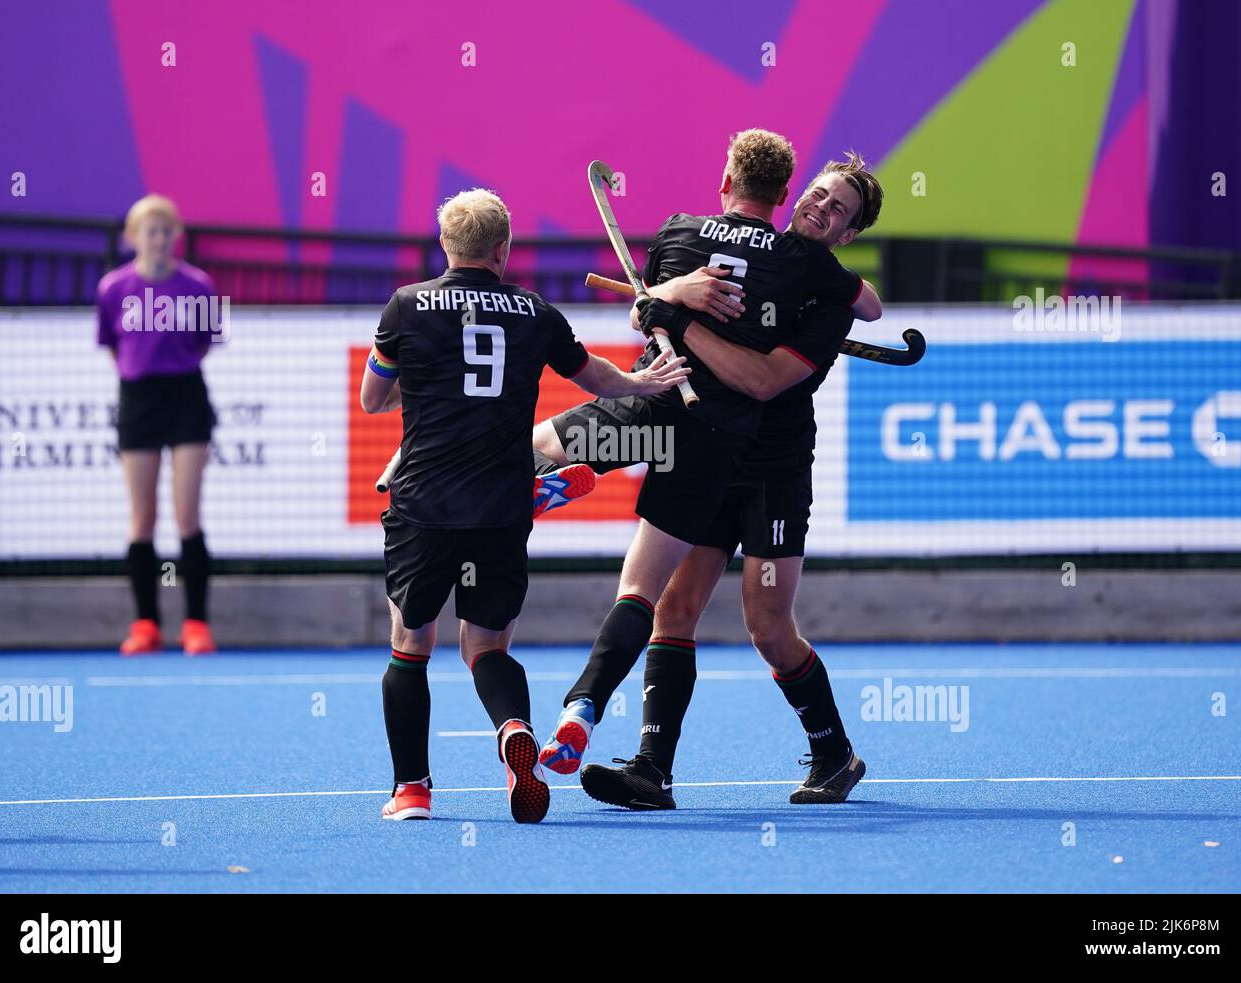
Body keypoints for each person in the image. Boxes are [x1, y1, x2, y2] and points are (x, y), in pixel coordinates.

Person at [532, 131, 879, 776]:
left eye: (839, 211)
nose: (822, 209)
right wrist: (668, 298)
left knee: (767, 624)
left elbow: (764, 379)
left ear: (848, 234)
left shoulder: (831, 299)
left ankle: (834, 752)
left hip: (772, 467)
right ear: (793, 194)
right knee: (674, 605)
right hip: (710, 443)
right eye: (820, 194)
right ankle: (652, 770)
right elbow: (656, 317)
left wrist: (677, 314)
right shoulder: (770, 259)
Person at [359, 189, 689, 823]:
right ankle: (513, 729)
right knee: (486, 648)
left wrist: (426, 372)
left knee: (410, 646)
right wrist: (645, 381)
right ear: (503, 250)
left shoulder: (406, 305)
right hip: (503, 509)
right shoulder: (534, 312)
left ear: (445, 246)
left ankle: (412, 791)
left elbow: (375, 399)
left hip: (423, 506)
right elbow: (596, 378)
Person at [96, 194, 224, 657]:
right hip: (138, 399)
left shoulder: (199, 285)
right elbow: (113, 345)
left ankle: (196, 623)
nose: (159, 239)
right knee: (142, 515)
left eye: (166, 231)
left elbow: (206, 343)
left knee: (187, 513)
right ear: (132, 238)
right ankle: (146, 623)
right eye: (150, 231)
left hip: (186, 396)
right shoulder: (113, 288)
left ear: (176, 237)